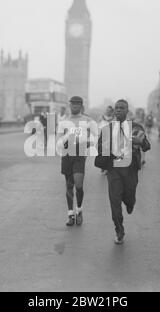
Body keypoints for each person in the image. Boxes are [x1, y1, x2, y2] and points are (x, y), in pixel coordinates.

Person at [97, 99, 148, 244]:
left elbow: (146, 146)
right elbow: (100, 147)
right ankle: (119, 231)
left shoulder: (136, 127)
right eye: (116, 108)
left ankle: (130, 203)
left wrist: (140, 142)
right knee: (115, 201)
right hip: (113, 169)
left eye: (122, 108)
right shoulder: (107, 129)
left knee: (129, 197)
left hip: (130, 170)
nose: (118, 110)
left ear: (127, 111)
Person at [57, 96, 97, 227]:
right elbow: (58, 140)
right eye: (72, 104)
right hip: (67, 155)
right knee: (69, 186)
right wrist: (64, 140)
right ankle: (70, 215)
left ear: (81, 106)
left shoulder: (88, 120)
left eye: (77, 104)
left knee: (78, 185)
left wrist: (87, 142)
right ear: (70, 105)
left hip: (79, 155)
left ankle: (79, 210)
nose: (74, 106)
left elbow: (95, 137)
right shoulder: (64, 122)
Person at [98, 106, 114, 174]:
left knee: (108, 152)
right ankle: (102, 166)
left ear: (112, 112)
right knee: (101, 152)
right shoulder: (101, 117)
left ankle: (107, 168)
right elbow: (98, 125)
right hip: (101, 136)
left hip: (109, 137)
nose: (108, 111)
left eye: (109, 110)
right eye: (107, 110)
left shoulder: (114, 118)